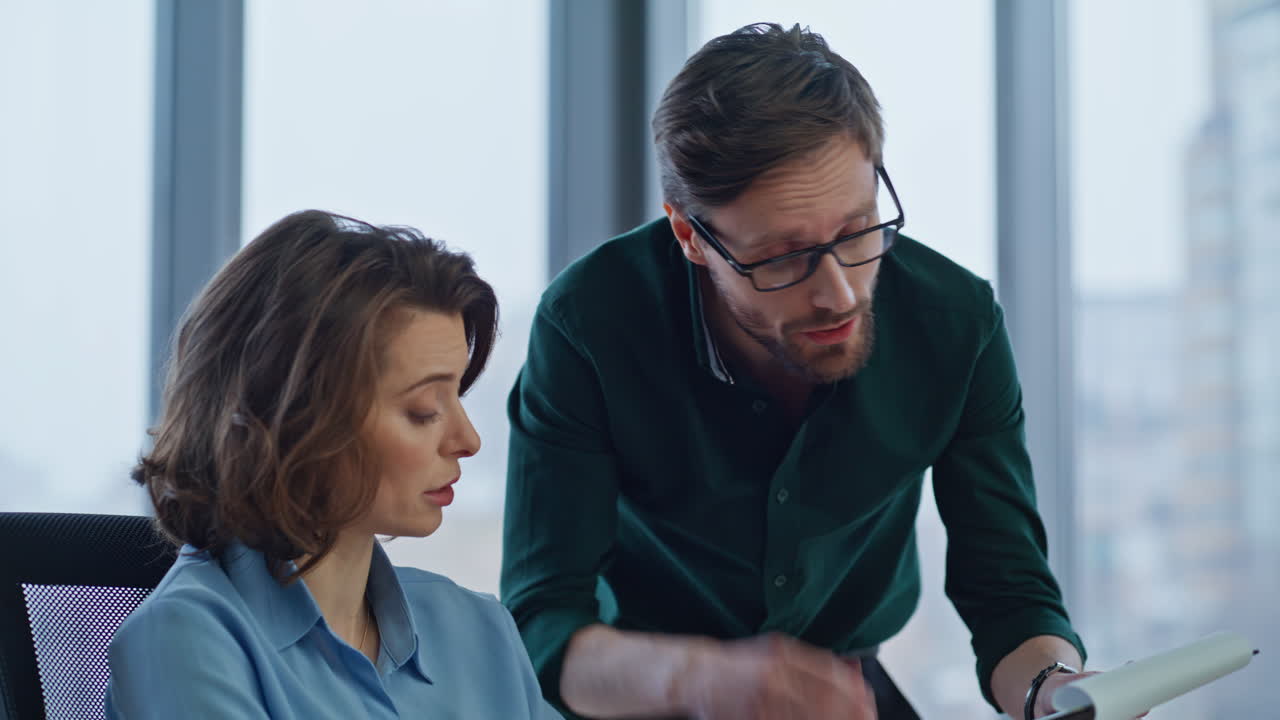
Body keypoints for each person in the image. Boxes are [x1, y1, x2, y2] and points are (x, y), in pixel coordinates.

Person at [502, 23, 1110, 720]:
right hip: (642, 691)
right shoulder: (587, 324)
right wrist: (705, 681)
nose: (840, 293)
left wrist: (1054, 691)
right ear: (689, 235)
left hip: (846, 695)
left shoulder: (957, 323)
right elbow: (542, 623)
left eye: (857, 231)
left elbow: (1010, 595)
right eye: (784, 257)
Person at [106, 210, 562, 719]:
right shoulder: (182, 645)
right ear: (293, 417)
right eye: (423, 410)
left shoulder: (481, 631)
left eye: (458, 396)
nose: (468, 440)